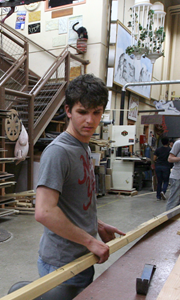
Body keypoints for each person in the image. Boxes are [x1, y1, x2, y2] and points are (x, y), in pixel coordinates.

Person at [35, 74, 125, 289]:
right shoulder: (59, 152)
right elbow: (44, 212)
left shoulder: (82, 146)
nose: (90, 120)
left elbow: (73, 202)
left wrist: (97, 225)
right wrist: (90, 241)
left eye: (97, 113)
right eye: (82, 112)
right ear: (68, 110)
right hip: (63, 263)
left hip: (81, 257)